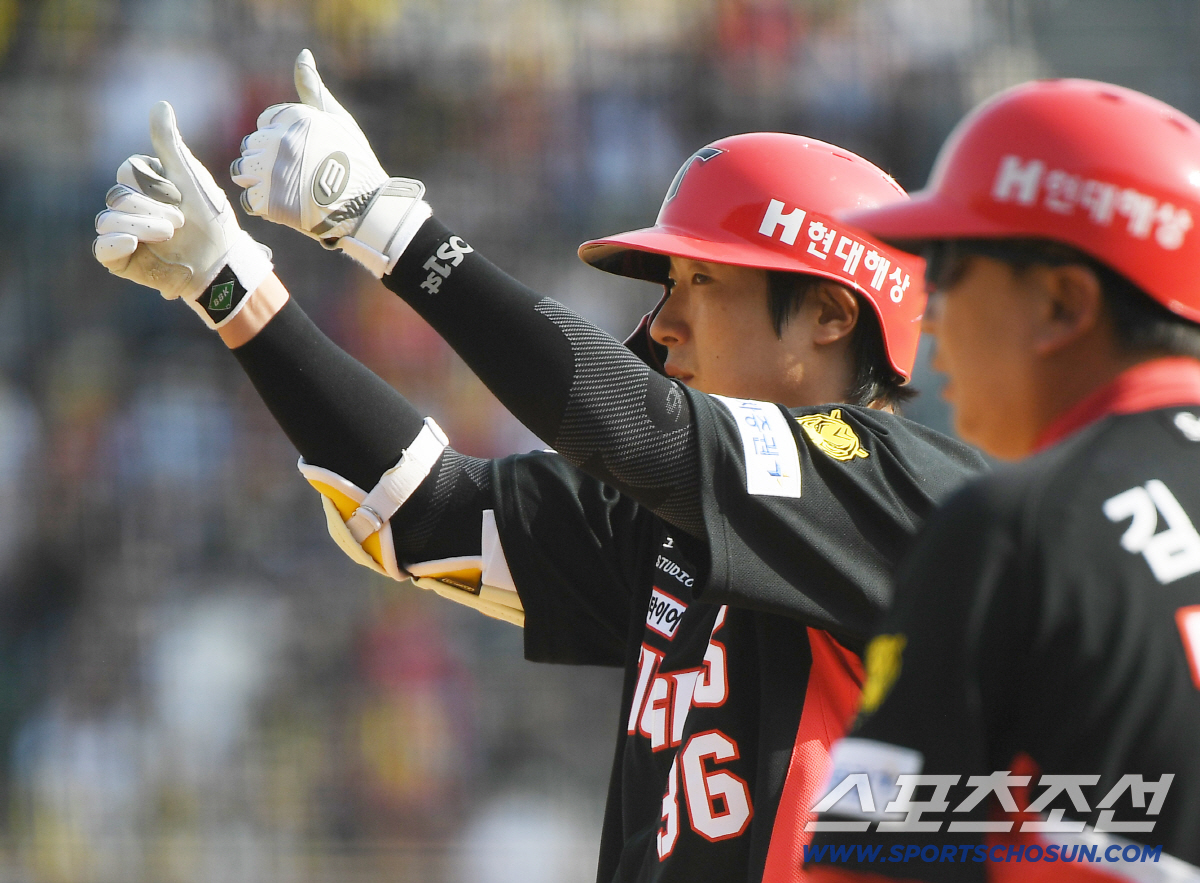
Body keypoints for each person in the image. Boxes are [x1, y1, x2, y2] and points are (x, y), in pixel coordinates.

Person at [93, 52, 983, 882]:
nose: (664, 323)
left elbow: (646, 432)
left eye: (703, 282)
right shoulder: (680, 527)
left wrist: (383, 225)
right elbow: (420, 514)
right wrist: (232, 286)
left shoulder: (908, 491)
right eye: (668, 286)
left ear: (830, 314)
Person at [801, 79, 1200, 881]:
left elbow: (867, 865)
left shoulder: (1019, 528)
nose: (931, 313)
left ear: (1063, 302)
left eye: (950, 267)